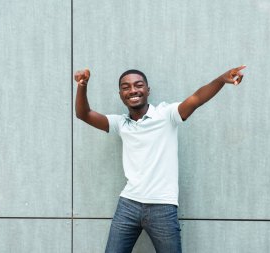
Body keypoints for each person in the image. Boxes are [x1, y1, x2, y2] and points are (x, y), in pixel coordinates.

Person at [74, 65, 246, 253]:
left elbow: (196, 99)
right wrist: (82, 85)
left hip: (162, 207)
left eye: (138, 85)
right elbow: (84, 114)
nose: (132, 90)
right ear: (120, 94)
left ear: (148, 90)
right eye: (126, 87)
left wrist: (221, 79)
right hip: (128, 204)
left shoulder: (166, 115)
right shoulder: (120, 123)